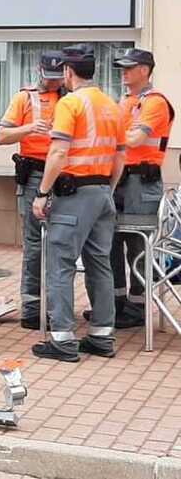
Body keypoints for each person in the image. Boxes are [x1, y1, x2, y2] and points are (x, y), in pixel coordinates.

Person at [31, 44, 126, 362]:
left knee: (60, 263)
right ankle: (101, 336)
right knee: (100, 264)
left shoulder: (70, 103)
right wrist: (107, 190)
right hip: (101, 193)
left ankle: (62, 339)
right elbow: (120, 155)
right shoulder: (112, 105)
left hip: (74, 196)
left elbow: (58, 153)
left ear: (69, 72)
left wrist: (43, 193)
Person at [0, 52, 66, 330]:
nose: (53, 82)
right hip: (35, 172)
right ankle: (32, 308)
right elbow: (2, 136)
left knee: (59, 242)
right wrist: (28, 128)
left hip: (64, 174)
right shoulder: (24, 98)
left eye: (58, 77)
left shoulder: (71, 97)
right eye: (49, 77)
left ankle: (55, 307)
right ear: (40, 71)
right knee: (35, 243)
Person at [107, 49, 174, 328]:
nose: (123, 72)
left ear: (144, 70)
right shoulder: (126, 101)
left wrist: (107, 136)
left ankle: (138, 307)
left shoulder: (155, 103)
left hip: (141, 183)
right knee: (111, 240)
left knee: (138, 244)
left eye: (129, 67)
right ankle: (116, 303)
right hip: (121, 178)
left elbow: (134, 139)